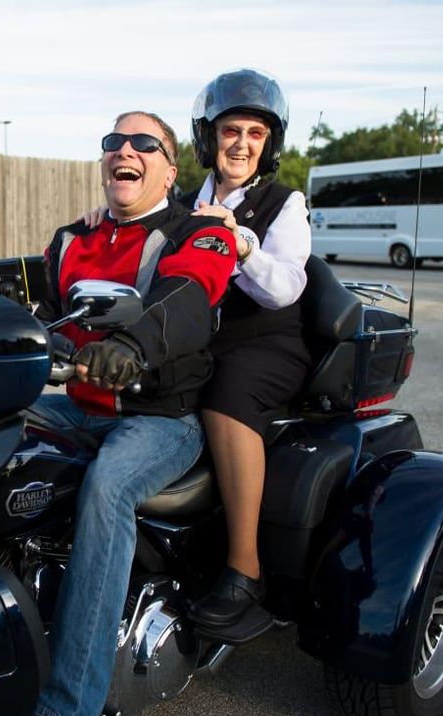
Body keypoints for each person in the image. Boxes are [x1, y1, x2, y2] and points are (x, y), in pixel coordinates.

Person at [29, 111, 236, 716]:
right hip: (76, 405)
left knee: (107, 487)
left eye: (145, 143)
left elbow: (189, 298)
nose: (126, 150)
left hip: (161, 418)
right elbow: (34, 309)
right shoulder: (71, 239)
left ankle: (70, 709)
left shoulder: (197, 232)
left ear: (170, 170)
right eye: (113, 142)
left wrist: (134, 347)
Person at [181, 69, 312, 633]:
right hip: (201, 339)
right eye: (231, 130)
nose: (241, 144)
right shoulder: (183, 203)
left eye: (255, 134)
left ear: (269, 143)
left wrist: (239, 242)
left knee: (225, 390)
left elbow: (284, 286)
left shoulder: (286, 204)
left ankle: (244, 567)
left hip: (269, 341)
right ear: (208, 138)